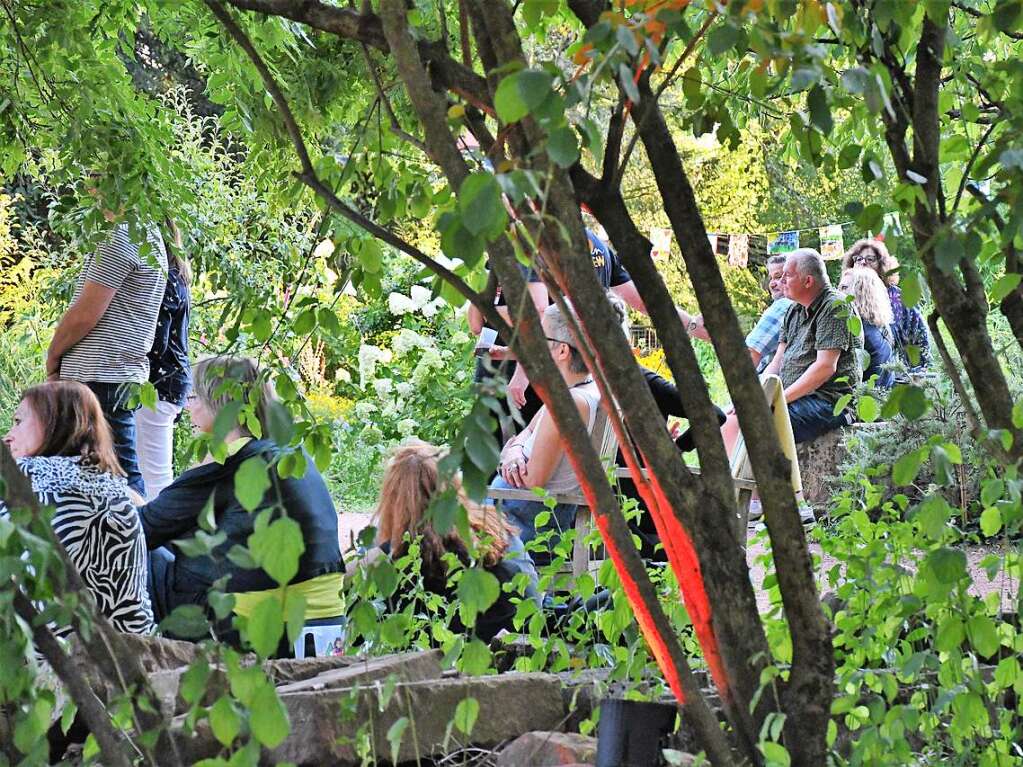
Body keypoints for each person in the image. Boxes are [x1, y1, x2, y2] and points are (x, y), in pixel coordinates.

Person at [140, 357, 343, 641]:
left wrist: (119, 495)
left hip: (258, 628)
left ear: (220, 403)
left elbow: (142, 528)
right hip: (327, 624)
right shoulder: (292, 454)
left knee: (141, 555)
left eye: (194, 397)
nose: (187, 407)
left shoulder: (232, 460)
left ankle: (123, 654)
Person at [1, 381, 154, 635]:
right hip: (132, 646)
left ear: (55, 424)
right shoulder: (115, 489)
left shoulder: (25, 480)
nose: (8, 436)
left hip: (45, 655)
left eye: (18, 422)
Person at [365, 442, 539, 641]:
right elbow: (533, 601)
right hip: (509, 654)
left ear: (390, 498)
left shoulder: (386, 555)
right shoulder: (496, 529)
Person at [46, 216, 168, 497]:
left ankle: (147, 540)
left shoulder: (122, 235)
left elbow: (84, 315)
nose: (88, 185)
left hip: (101, 377)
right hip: (111, 376)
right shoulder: (141, 231)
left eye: (99, 177)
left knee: (119, 478)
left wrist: (53, 357)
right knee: (88, 477)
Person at [489, 300, 606, 552]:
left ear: (562, 351)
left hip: (516, 522)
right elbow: (529, 430)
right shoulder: (580, 388)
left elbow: (534, 481)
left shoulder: (571, 403)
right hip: (511, 509)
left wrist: (509, 456)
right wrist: (514, 450)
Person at [764, 249, 864, 444]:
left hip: (830, 402)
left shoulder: (835, 306)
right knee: (739, 413)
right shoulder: (794, 309)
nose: (781, 280)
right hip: (797, 398)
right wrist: (760, 393)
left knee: (764, 424)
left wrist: (779, 399)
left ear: (808, 281)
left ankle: (772, 475)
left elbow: (825, 368)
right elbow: (778, 360)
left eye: (787, 275)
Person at [135, 221, 192, 499]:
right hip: (168, 380)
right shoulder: (175, 273)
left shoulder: (165, 276)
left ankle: (162, 539)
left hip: (160, 382)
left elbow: (156, 340)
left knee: (156, 478)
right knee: (150, 472)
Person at [680, 254, 793, 373]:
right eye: (771, 278)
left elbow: (749, 357)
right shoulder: (800, 307)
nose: (772, 284)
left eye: (778, 277)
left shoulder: (783, 305)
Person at [842, 238, 930, 371]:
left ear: (882, 265)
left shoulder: (900, 299)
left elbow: (920, 337)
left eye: (870, 259)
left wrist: (919, 372)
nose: (863, 263)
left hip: (900, 373)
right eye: (858, 259)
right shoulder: (845, 295)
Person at [838, 267, 895, 389]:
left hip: (863, 400)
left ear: (860, 293)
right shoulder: (878, 326)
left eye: (844, 288)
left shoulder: (858, 330)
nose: (837, 293)